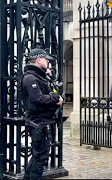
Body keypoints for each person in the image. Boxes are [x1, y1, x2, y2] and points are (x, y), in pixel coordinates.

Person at [21, 48, 64, 179]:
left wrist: (50, 84)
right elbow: (37, 99)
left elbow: (54, 93)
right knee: (40, 159)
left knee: (37, 157)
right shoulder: (30, 78)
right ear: (39, 59)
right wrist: (55, 98)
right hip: (38, 123)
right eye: (46, 60)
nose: (48, 63)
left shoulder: (40, 77)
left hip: (43, 123)